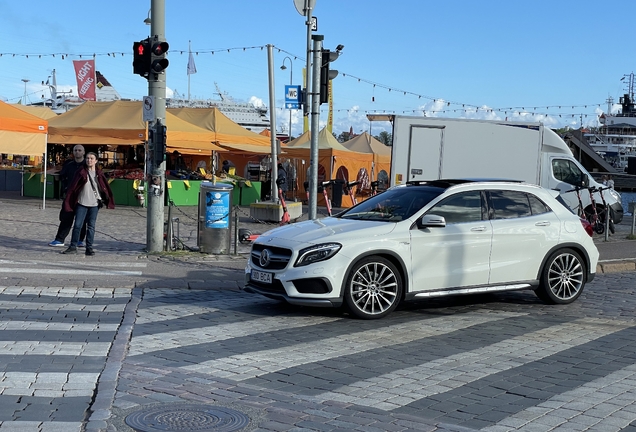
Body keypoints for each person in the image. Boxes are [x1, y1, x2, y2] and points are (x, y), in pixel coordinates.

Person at [61, 152, 115, 256]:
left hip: (94, 204)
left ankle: (89, 248)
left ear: (96, 161)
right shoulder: (81, 172)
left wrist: (106, 199)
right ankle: (73, 246)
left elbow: (105, 187)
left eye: (91, 158)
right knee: (77, 225)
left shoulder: (99, 173)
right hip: (82, 203)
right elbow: (73, 187)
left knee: (91, 226)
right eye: (87, 158)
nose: (89, 160)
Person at [49, 145, 87, 247]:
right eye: (75, 150)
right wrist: (65, 189)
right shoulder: (69, 164)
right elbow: (63, 177)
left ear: (83, 152)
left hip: (83, 196)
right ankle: (60, 239)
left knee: (82, 220)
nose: (77, 152)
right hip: (70, 196)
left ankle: (79, 240)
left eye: (79, 150)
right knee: (66, 217)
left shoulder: (87, 165)